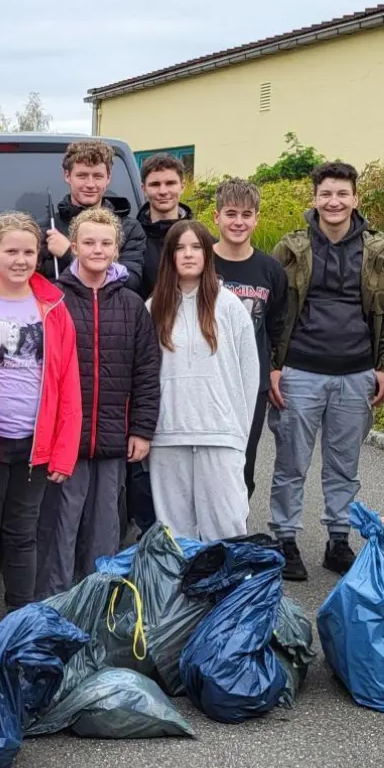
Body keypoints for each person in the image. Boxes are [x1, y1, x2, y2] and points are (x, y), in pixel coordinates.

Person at [267, 161, 384, 582]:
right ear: (315, 198)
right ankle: (285, 537)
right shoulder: (291, 247)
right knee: (291, 462)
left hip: (356, 372)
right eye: (326, 194)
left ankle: (338, 539)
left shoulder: (378, 253)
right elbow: (274, 310)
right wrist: (273, 366)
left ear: (356, 199)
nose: (334, 201)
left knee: (344, 464)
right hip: (301, 370)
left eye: (342, 194)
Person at [0, 211, 80, 626]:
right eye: (10, 251)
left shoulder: (55, 308)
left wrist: (63, 452)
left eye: (28, 251)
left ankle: (19, 618)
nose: (20, 259)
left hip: (35, 444)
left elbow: (68, 384)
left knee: (23, 535)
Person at [35, 207, 158, 597]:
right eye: (88, 242)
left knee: (105, 527)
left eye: (106, 243)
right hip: (64, 439)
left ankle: (99, 602)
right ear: (73, 246)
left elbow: (146, 372)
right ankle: (53, 604)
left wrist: (141, 427)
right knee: (60, 526)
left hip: (111, 437)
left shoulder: (133, 305)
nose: (97, 249)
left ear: (117, 249)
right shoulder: (52, 299)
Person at [147, 220, 259, 542]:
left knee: (227, 526)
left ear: (207, 254)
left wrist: (239, 432)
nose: (188, 254)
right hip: (168, 436)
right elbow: (144, 376)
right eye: (179, 248)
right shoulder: (154, 308)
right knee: (175, 533)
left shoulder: (230, 306)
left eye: (196, 247)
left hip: (221, 434)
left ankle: (229, 592)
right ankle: (180, 593)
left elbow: (249, 374)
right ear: (169, 256)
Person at [210, 179, 288, 499]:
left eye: (246, 214)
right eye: (231, 213)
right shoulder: (199, 263)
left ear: (256, 218)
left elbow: (278, 325)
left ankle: (235, 532)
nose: (238, 222)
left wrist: (274, 370)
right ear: (216, 217)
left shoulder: (270, 270)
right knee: (206, 462)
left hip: (249, 384)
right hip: (207, 381)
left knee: (242, 463)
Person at [38, 140, 147, 292]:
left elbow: (131, 282)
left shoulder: (129, 229)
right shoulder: (46, 229)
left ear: (108, 178)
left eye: (97, 176)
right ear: (68, 176)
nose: (90, 184)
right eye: (82, 176)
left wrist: (69, 254)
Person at [135, 153, 195, 295]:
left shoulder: (200, 239)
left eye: (170, 183)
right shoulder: (130, 238)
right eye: (155, 184)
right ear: (143, 189)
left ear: (182, 186)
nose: (163, 191)